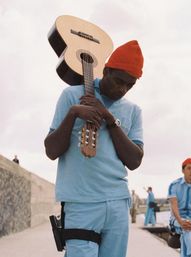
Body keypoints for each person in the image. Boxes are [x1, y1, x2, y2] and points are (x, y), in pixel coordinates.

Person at [44, 40, 144, 257]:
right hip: (81, 203)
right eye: (119, 81)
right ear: (106, 70)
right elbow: (51, 151)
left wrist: (109, 119)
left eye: (130, 85)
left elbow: (135, 160)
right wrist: (73, 114)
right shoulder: (72, 96)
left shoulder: (133, 111)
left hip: (118, 203)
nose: (122, 89)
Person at [168, 158, 191, 257]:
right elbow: (174, 206)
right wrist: (181, 221)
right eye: (189, 168)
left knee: (188, 229)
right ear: (183, 170)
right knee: (188, 228)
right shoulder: (174, 185)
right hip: (176, 220)